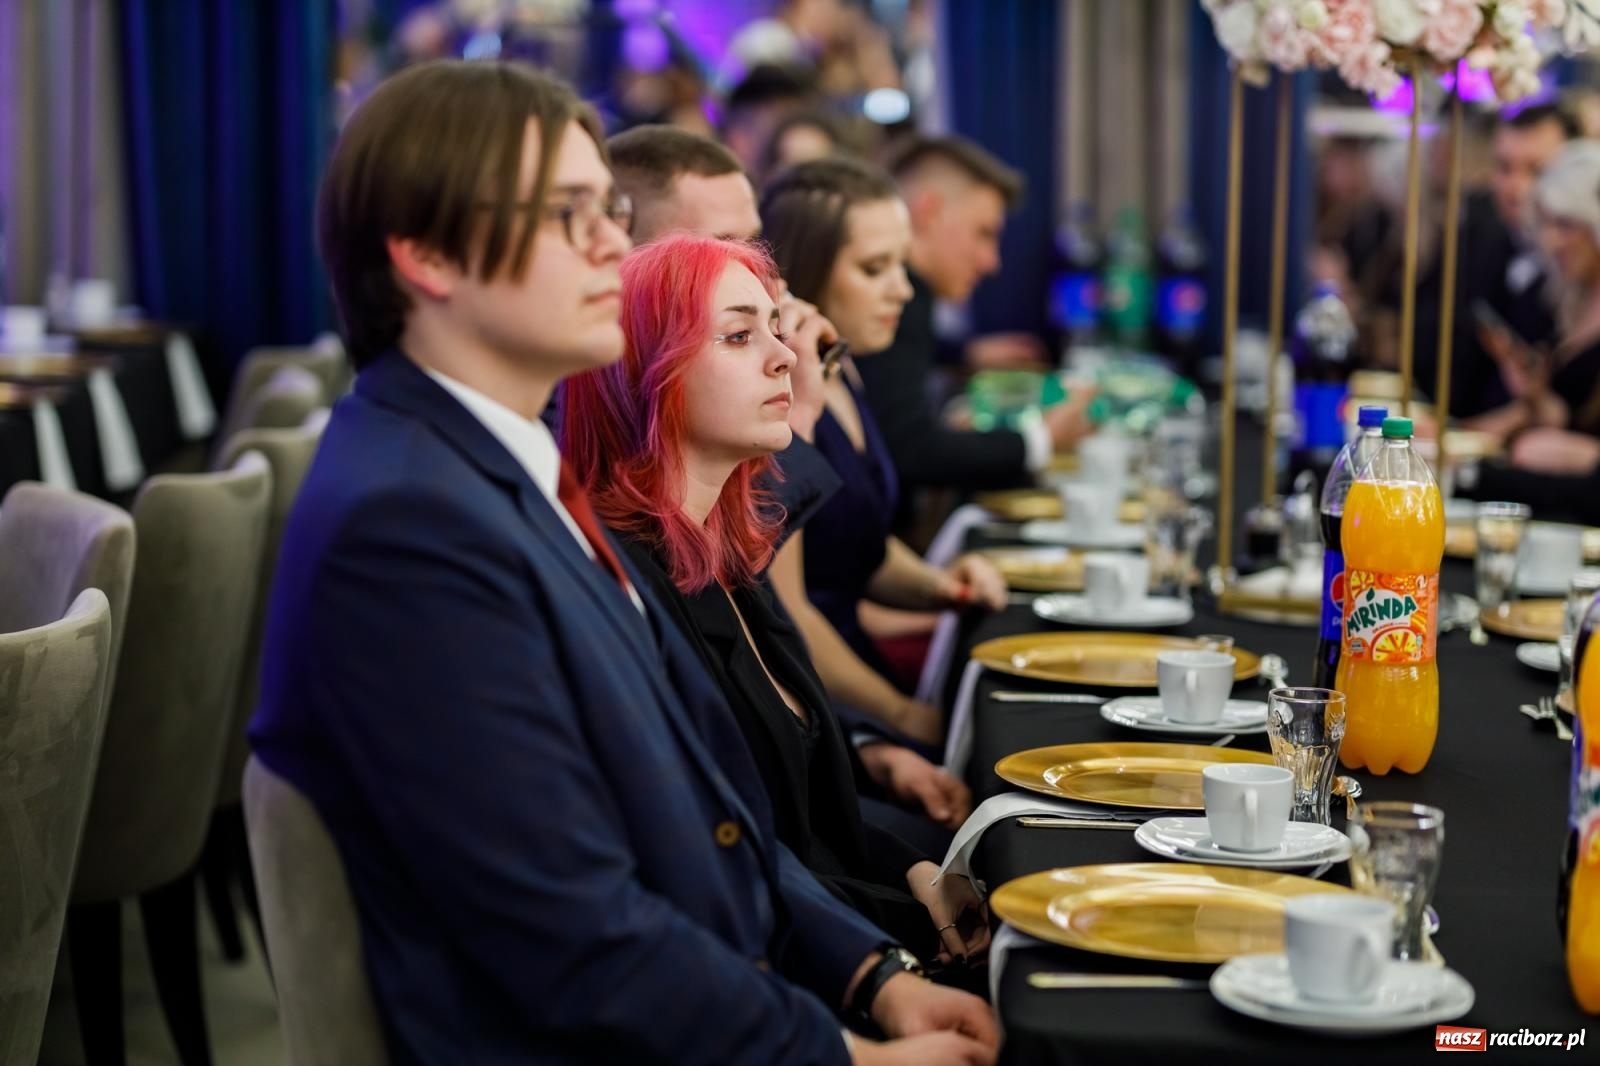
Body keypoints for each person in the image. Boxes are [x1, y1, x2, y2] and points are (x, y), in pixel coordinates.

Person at [251, 60, 996, 1065]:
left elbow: (706, 808)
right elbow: (569, 934)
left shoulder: (501, 468)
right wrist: (838, 1053)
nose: (614, 241)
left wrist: (865, 968)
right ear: (425, 254)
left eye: (607, 206)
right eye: (569, 214)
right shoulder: (407, 525)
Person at [562, 232, 988, 967]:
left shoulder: (723, 548)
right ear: (649, 371)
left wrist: (916, 873)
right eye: (737, 335)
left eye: (773, 326)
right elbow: (730, 861)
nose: (786, 355)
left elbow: (812, 816)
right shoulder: (628, 588)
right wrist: (884, 958)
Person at [608, 124, 973, 828]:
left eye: (757, 245)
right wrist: (893, 722)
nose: (760, 272)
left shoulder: (791, 375)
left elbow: (770, 646)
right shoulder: (656, 451)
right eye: (724, 246)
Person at [759, 156, 1009, 738]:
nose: (901, 289)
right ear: (805, 275)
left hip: (855, 673)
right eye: (875, 269)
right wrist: (898, 716)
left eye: (901, 263)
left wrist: (939, 584)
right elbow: (785, 615)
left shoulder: (843, 369)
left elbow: (859, 545)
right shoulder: (786, 400)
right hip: (824, 701)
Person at [850, 136, 1094, 507]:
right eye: (984, 233)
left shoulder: (913, 300)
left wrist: (965, 352)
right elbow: (910, 447)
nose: (991, 261)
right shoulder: (901, 297)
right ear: (929, 213)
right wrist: (1039, 438)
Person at [1412, 103, 1573, 417]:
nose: (1516, 187)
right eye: (1504, 167)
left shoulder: (1579, 268)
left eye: (1536, 170)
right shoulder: (1478, 235)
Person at [1466, 140, 1600, 475]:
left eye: (1567, 225)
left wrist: (1588, 457)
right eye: (1548, 224)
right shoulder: (1565, 301)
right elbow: (1567, 416)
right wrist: (1534, 397)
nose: (1552, 241)